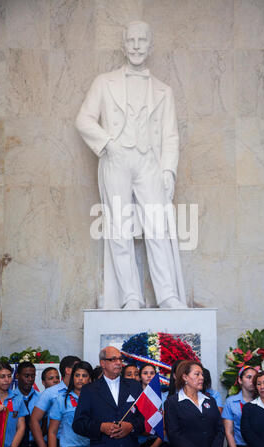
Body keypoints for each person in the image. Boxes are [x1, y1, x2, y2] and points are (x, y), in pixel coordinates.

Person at [75, 20, 187, 310]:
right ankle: (131, 296)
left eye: (142, 40)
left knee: (157, 228)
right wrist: (108, 144)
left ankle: (167, 295)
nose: (136, 46)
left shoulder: (164, 90)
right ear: (123, 45)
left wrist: (168, 171)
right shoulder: (104, 81)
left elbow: (171, 135)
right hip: (116, 159)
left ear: (150, 45)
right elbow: (84, 119)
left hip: (149, 161)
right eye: (131, 40)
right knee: (119, 228)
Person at [72, 346, 144, 447]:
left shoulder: (134, 386)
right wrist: (100, 427)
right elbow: (78, 424)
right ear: (103, 363)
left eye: (120, 359)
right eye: (113, 359)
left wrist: (131, 426)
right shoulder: (89, 390)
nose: (119, 362)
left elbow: (144, 417)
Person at [164, 360, 224, 447]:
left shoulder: (210, 400)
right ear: (185, 377)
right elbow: (174, 434)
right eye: (197, 374)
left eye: (202, 374)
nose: (202, 377)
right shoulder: (172, 402)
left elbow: (220, 429)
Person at [30, 355, 80, 447]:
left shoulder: (82, 391)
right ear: (68, 370)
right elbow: (34, 420)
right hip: (57, 443)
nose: (80, 370)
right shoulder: (50, 392)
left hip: (81, 443)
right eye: (77, 367)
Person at [48, 361, 93, 447]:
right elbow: (52, 432)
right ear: (72, 378)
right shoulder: (62, 399)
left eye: (84, 376)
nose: (80, 378)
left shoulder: (96, 399)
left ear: (90, 379)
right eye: (77, 375)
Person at [222, 366, 257, 447]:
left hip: (258, 445)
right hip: (238, 445)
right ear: (240, 380)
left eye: (255, 378)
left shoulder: (261, 400)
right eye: (249, 377)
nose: (252, 380)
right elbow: (229, 432)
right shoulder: (231, 402)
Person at [0, 363, 27, 447]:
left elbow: (21, 427)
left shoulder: (18, 398)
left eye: (9, 376)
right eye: (2, 377)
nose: (7, 380)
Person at [14, 361, 40, 447]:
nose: (30, 379)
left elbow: (45, 421)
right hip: (14, 444)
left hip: (36, 444)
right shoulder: (11, 398)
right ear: (17, 376)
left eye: (33, 376)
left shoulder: (40, 398)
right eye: (26, 376)